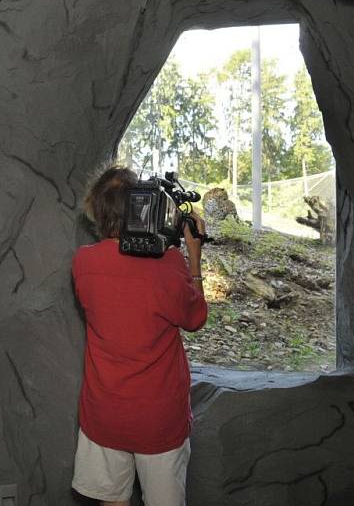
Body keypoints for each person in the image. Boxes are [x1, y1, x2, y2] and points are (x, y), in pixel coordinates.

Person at [71, 165, 208, 506]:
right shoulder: (169, 265)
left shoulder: (83, 263)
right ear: (145, 208)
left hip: (104, 413)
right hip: (159, 420)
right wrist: (193, 258)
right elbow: (195, 317)